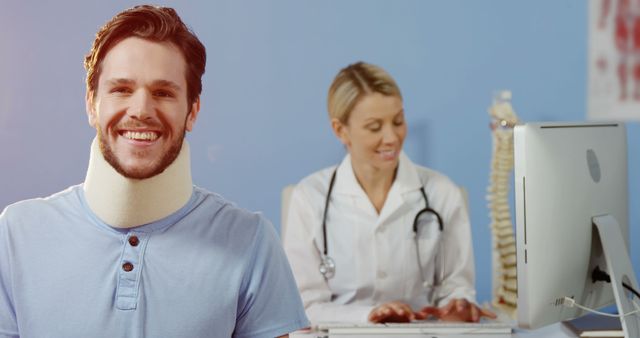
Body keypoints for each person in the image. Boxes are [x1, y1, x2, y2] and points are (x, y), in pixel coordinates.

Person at [0, 5, 308, 338]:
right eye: (121, 89)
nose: (142, 110)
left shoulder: (251, 243)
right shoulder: (15, 236)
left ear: (192, 111)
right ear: (91, 103)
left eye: (163, 93)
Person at [283, 61, 496, 324]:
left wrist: (459, 307)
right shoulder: (309, 198)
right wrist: (368, 315)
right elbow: (304, 307)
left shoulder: (441, 193)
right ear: (340, 130)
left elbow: (457, 288)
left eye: (398, 121)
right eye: (374, 127)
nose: (392, 137)